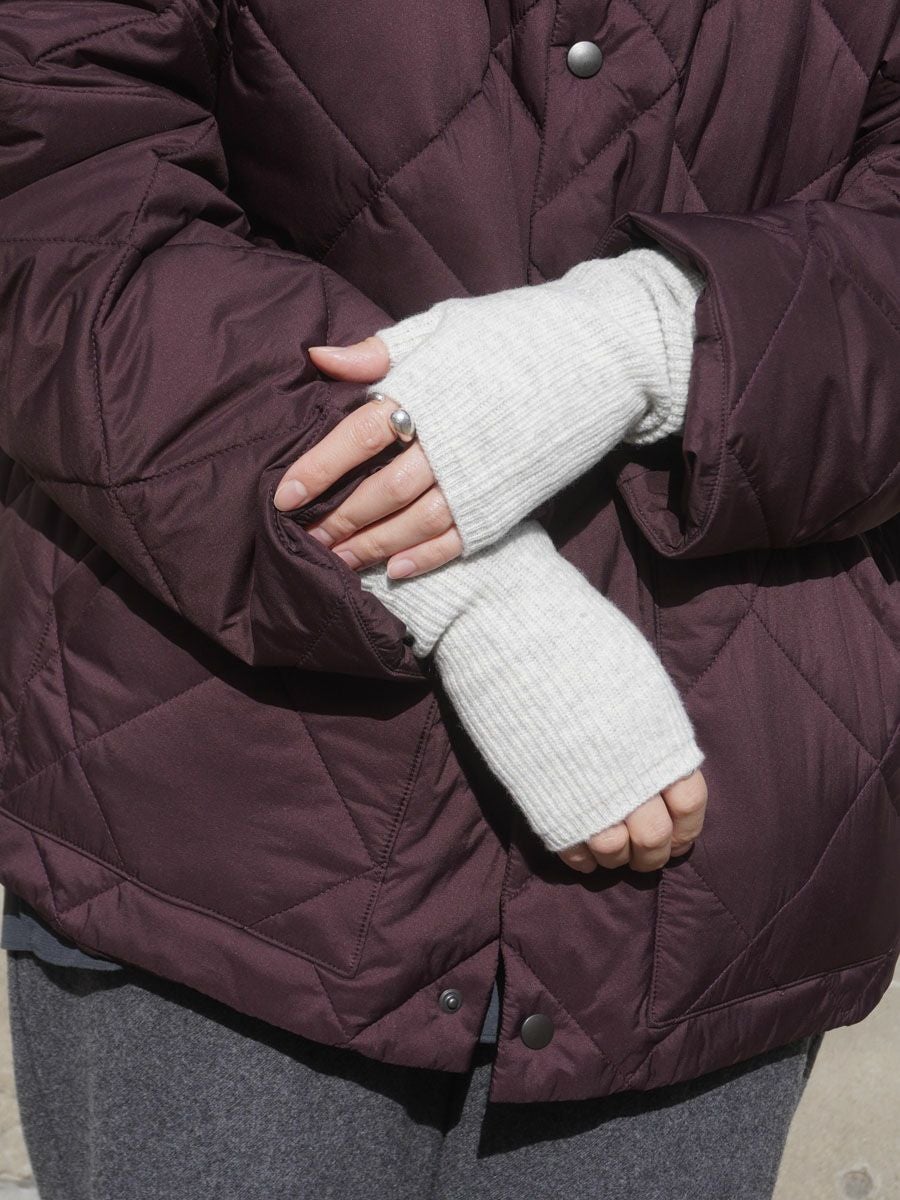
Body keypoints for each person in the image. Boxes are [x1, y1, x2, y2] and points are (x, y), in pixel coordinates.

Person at [0, 1, 897, 1196]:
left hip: (701, 869)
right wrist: (464, 584)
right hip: (227, 828)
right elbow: (59, 183)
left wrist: (650, 335)